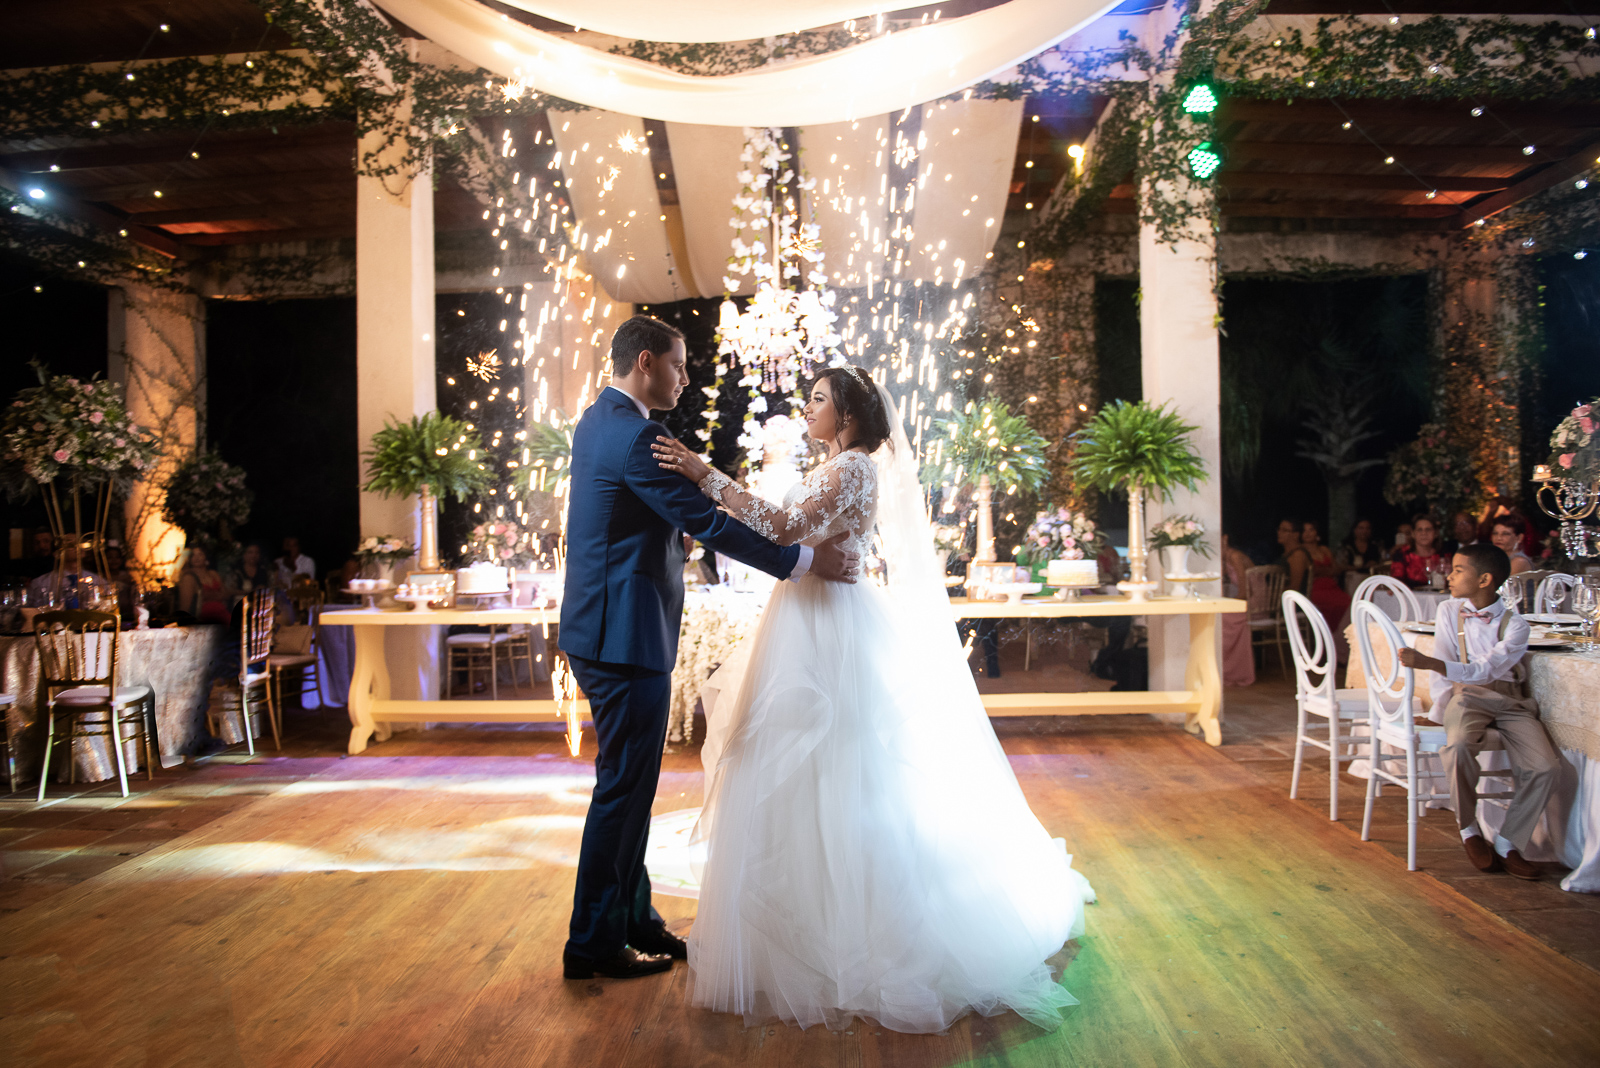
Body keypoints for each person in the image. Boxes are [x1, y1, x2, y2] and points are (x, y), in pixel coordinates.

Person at [654, 365, 1093, 1033]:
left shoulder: (855, 467)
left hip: (833, 628)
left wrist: (700, 473)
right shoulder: (837, 462)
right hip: (805, 616)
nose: (808, 407)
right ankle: (802, 921)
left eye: (820, 400)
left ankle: (857, 937)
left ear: (850, 418)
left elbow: (781, 525)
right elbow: (799, 531)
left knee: (847, 772)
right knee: (795, 771)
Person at [557, 315, 860, 983]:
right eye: (678, 365)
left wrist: (672, 540)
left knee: (629, 788)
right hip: (624, 635)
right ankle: (592, 945)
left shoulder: (597, 421)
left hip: (604, 628)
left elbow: (628, 520)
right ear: (645, 362)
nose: (686, 378)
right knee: (623, 790)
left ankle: (633, 920)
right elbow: (707, 519)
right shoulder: (640, 437)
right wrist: (804, 559)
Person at [1398, 543, 1559, 881]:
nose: (1450, 576)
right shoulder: (1448, 611)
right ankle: (1469, 829)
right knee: (1457, 748)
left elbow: (1484, 671)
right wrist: (1439, 712)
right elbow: (1446, 667)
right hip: (1467, 698)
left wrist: (1429, 661)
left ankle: (1508, 840)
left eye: (1458, 570)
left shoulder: (1517, 626)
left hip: (1510, 700)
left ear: (1485, 579)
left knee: (1544, 766)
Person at [1301, 520, 1351, 632]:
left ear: (1316, 532)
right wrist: (1326, 571)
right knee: (1333, 607)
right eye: (1304, 530)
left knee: (1349, 603)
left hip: (1332, 586)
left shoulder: (1324, 549)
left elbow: (1336, 569)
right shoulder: (1301, 552)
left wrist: (1323, 571)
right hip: (1315, 588)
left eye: (1311, 530)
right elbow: (1312, 572)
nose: (1308, 533)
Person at [26, 543, 103, 608]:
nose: (78, 547)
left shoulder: (97, 581)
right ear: (57, 553)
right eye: (71, 545)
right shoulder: (41, 583)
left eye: (80, 543)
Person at [1389, 513, 1446, 588]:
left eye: (1428, 529)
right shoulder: (1402, 554)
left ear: (1435, 533)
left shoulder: (1444, 554)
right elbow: (1396, 582)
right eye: (1419, 530)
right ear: (1413, 533)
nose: (1424, 533)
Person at [177, 546, 230, 624]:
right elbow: (187, 604)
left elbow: (225, 594)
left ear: (206, 557)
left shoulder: (213, 574)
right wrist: (215, 595)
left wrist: (209, 595)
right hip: (204, 617)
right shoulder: (189, 577)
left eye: (200, 554)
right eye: (193, 555)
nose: (196, 558)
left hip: (222, 612)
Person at [1273, 517, 1311, 596]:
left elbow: (1295, 587)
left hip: (1292, 603)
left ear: (1296, 534)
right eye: (1279, 529)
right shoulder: (1285, 554)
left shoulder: (1298, 555)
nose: (1279, 532)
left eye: (1284, 530)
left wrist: (1270, 593)